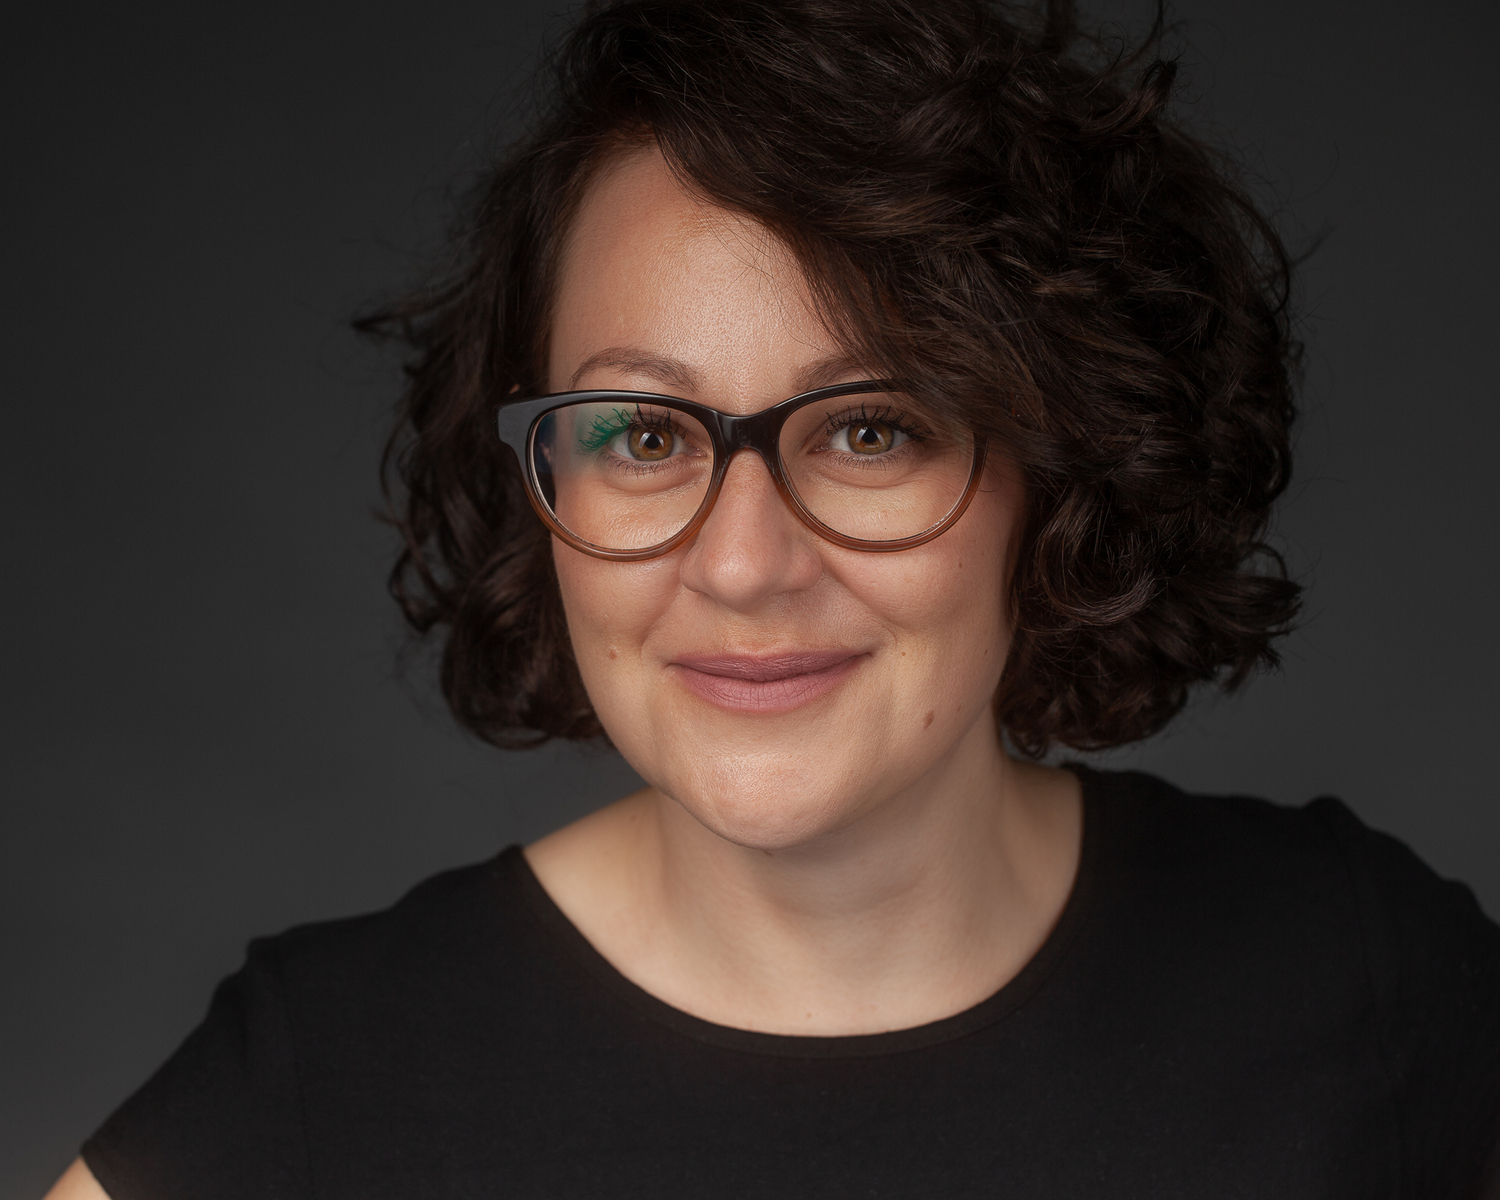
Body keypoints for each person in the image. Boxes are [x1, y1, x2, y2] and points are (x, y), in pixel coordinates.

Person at [47, 0, 1500, 1196]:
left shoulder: (1362, 974)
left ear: (1065, 469)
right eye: (641, 435)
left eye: (871, 429)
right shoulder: (321, 1091)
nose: (743, 564)